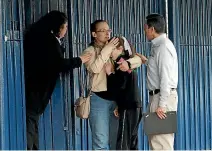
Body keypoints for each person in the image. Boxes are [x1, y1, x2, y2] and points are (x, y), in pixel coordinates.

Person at [23, 10, 91, 150]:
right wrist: (80, 60)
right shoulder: (49, 41)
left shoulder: (38, 38)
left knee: (32, 124)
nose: (66, 30)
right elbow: (59, 64)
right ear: (58, 27)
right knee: (31, 126)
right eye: (65, 27)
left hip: (32, 88)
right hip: (37, 90)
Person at [82, 20, 142, 150]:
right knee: (101, 142)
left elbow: (138, 59)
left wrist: (127, 63)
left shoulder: (114, 48)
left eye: (108, 30)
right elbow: (95, 68)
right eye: (102, 31)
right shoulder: (89, 51)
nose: (107, 33)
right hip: (99, 100)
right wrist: (107, 50)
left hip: (116, 101)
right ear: (94, 34)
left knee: (117, 141)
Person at [137, 13, 178, 150]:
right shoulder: (158, 46)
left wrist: (162, 104)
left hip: (161, 97)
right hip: (157, 97)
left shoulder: (163, 47)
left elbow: (165, 77)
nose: (144, 31)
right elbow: (159, 69)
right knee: (156, 141)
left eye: (145, 28)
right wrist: (147, 62)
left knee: (162, 143)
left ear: (152, 29)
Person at [105, 36, 142, 150]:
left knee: (123, 142)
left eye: (112, 48)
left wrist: (109, 74)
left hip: (128, 106)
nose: (109, 51)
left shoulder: (122, 64)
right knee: (132, 141)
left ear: (120, 48)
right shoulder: (129, 62)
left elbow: (119, 86)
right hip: (135, 106)